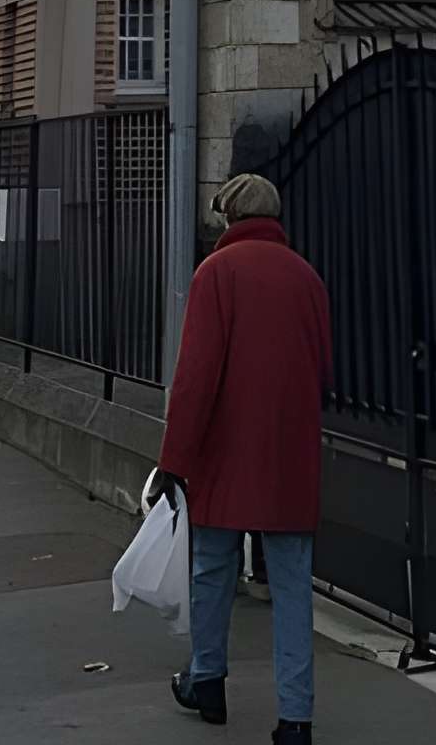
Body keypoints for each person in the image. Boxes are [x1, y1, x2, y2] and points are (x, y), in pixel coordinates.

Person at [159, 172, 331, 743]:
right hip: (289, 454)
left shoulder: (217, 274)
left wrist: (174, 460)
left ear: (229, 218)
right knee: (291, 586)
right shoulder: (307, 278)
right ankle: (296, 718)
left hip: (225, 452)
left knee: (212, 568)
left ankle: (207, 679)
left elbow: (196, 377)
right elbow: (323, 371)